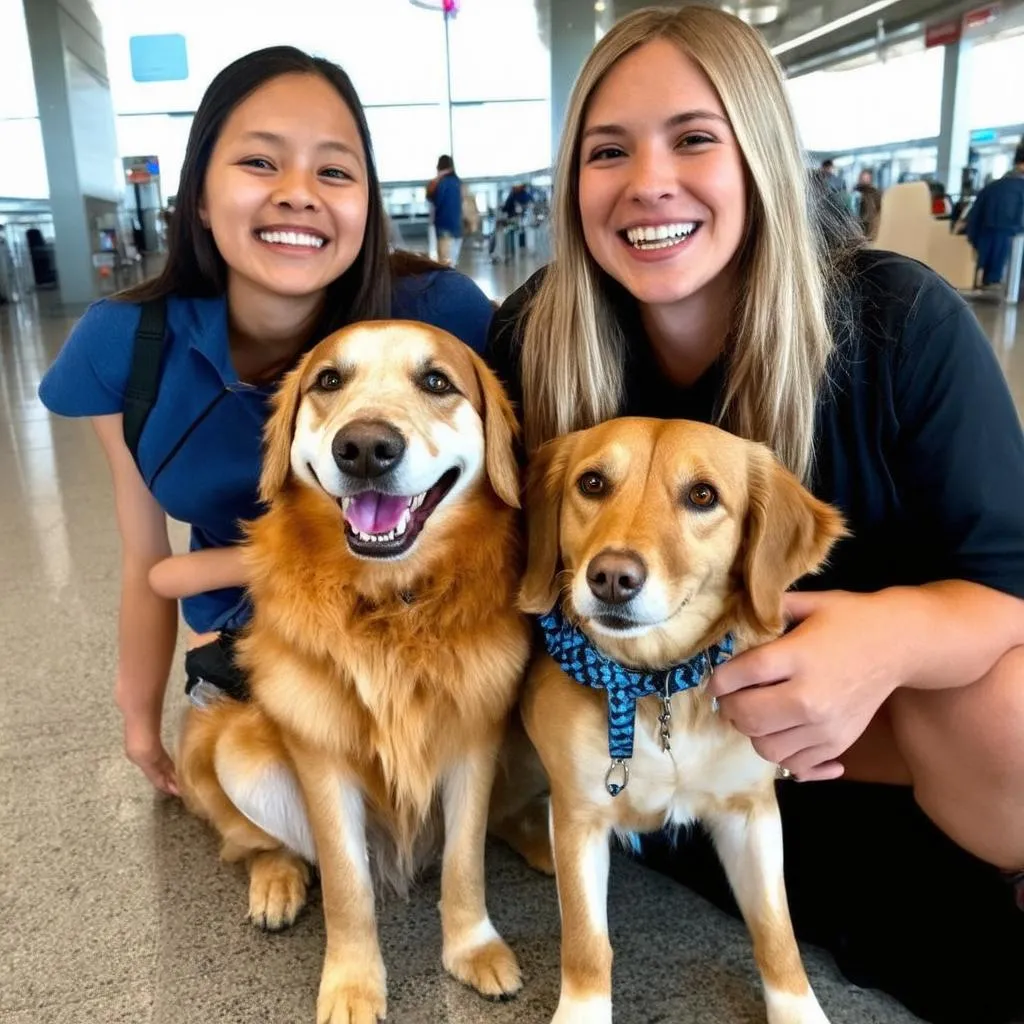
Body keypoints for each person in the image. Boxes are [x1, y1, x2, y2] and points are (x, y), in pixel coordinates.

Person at [485, 8, 1024, 1023]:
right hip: (638, 752)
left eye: (694, 137)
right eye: (608, 150)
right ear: (573, 183)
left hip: (870, 751)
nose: (648, 179)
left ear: (763, 155)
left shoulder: (898, 322)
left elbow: (1014, 578)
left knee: (1011, 713)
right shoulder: (536, 336)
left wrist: (888, 638)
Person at [37, 47, 494, 799]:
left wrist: (223, 567)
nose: (298, 194)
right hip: (249, 636)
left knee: (422, 803)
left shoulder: (439, 318)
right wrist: (138, 714)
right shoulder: (125, 345)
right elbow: (143, 561)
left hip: (418, 626)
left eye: (335, 172)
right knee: (269, 801)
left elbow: (503, 496)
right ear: (200, 198)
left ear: (367, 205)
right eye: (259, 162)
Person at [966, 146, 1024, 287]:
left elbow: (974, 218)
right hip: (1014, 246)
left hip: (987, 243)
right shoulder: (1020, 188)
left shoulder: (991, 187)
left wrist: (975, 240)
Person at [426, 154, 464, 266]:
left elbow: (437, 202)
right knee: (452, 262)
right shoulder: (458, 182)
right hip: (457, 228)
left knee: (444, 263)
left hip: (444, 227)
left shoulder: (440, 183)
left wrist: (431, 193)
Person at [853, 167, 882, 240]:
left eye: (866, 178)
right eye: (863, 178)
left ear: (870, 179)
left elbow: (878, 207)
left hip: (870, 221)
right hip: (857, 221)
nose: (864, 180)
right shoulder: (855, 192)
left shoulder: (875, 193)